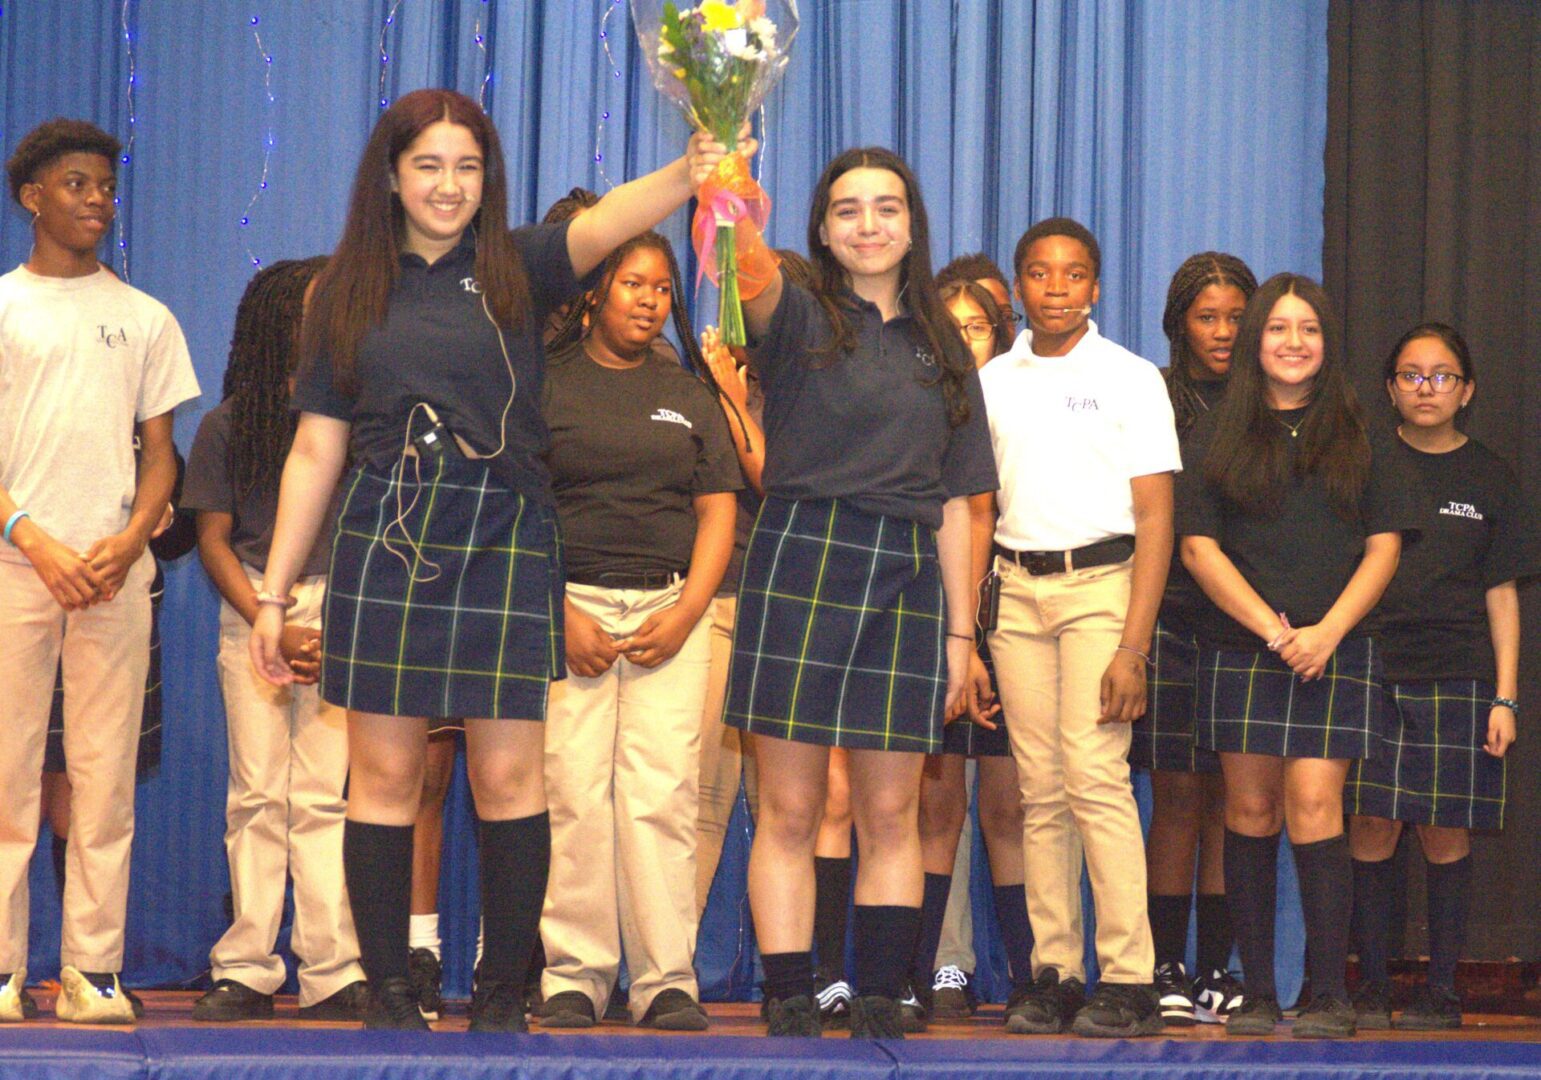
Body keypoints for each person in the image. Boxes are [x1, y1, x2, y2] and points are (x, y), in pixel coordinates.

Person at [249, 88, 735, 1032]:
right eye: (427, 165)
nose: (448, 185)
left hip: (504, 533)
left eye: (467, 167)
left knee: (512, 780)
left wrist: (691, 169)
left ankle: (506, 993)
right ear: (389, 175)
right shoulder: (343, 291)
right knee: (384, 781)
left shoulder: (515, 266)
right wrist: (274, 595)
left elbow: (609, 222)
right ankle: (390, 990)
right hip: (388, 534)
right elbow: (316, 448)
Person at [722, 146, 997, 1039]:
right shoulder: (794, 311)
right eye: (847, 210)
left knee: (890, 809)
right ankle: (790, 992)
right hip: (801, 554)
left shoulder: (944, 344)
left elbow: (959, 500)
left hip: (909, 572)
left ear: (913, 224)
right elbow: (743, 256)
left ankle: (881, 993)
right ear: (822, 228)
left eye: (886, 208)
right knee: (794, 808)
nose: (868, 225)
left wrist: (962, 638)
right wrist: (723, 161)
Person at [1177, 273, 1419, 1039]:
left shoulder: (1362, 429)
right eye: (1277, 329)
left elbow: (1383, 547)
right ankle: (1253, 991)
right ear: (1256, 342)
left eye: (1306, 329)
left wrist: (1325, 634)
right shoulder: (1216, 429)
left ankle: (1323, 991)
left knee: (1316, 806)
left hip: (1336, 646)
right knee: (1248, 808)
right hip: (1244, 646)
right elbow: (1196, 547)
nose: (1291, 342)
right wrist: (1273, 632)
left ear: (1325, 341)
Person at [0, 118, 200, 1024]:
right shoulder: (4, 309)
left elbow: (162, 454)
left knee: (103, 777)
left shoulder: (144, 315)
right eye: (77, 184)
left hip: (116, 576)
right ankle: (4, 969)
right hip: (15, 568)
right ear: (31, 196)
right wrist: (29, 536)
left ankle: (93, 968)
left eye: (106, 188)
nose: (96, 201)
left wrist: (132, 539)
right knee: (6, 775)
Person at [535, 231, 740, 1030]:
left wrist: (687, 611)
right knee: (574, 795)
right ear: (595, 292)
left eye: (661, 289)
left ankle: (664, 980)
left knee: (662, 796)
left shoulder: (687, 392)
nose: (650, 301)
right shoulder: (545, 384)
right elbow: (519, 508)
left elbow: (718, 508)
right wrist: (559, 612)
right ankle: (576, 976)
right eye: (632, 285)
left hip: (670, 616)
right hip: (570, 613)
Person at [979, 217, 1176, 1039]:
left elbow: (1156, 515)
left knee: (1096, 776)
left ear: (1095, 287)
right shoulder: (992, 380)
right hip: (1016, 593)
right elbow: (976, 506)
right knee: (1039, 788)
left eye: (1073, 274)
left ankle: (1127, 975)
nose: (1055, 288)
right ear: (1017, 287)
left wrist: (1133, 644)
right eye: (1038, 272)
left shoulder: (1130, 377)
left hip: (1102, 587)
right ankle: (1054, 971)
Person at [182, 257, 370, 1023]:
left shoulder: (358, 417)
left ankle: (332, 968)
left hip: (342, 615)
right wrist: (270, 614)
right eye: (312, 311)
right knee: (258, 794)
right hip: (254, 608)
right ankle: (248, 966)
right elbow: (213, 538)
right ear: (276, 323)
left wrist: (334, 619)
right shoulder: (231, 423)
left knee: (327, 797)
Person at [1347, 323, 1532, 1031]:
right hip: (1366, 669)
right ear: (1390, 387)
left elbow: (1502, 593)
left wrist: (1505, 696)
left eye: (1442, 375)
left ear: (1467, 390)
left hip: (1457, 676)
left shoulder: (1489, 477)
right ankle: (1367, 986)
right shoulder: (1359, 463)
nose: (1426, 388)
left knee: (1443, 831)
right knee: (1369, 825)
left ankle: (1442, 991)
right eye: (1411, 375)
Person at [902, 278, 1030, 1031]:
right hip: (930, 614)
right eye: (947, 326)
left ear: (998, 332)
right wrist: (958, 635)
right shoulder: (919, 404)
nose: (963, 338)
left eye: (976, 325)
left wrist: (980, 636)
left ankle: (1027, 964)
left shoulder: (1021, 403)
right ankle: (934, 965)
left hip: (1009, 618)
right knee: (933, 799)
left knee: (1012, 803)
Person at [1132, 253, 1256, 1026]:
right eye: (1206, 317)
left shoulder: (1267, 401)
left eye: (1235, 317)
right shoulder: (1152, 394)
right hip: (1172, 615)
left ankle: (1217, 966)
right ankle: (1163, 962)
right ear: (1179, 322)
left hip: (1248, 622)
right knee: (1176, 793)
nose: (1221, 332)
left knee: (1231, 798)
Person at [37, 438, 195, 1022]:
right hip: (27, 596)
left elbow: (184, 536)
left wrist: (155, 522)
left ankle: (88, 963)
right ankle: (9, 967)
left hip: (108, 609)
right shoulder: (33, 398)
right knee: (15, 787)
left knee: (89, 793)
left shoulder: (148, 436)